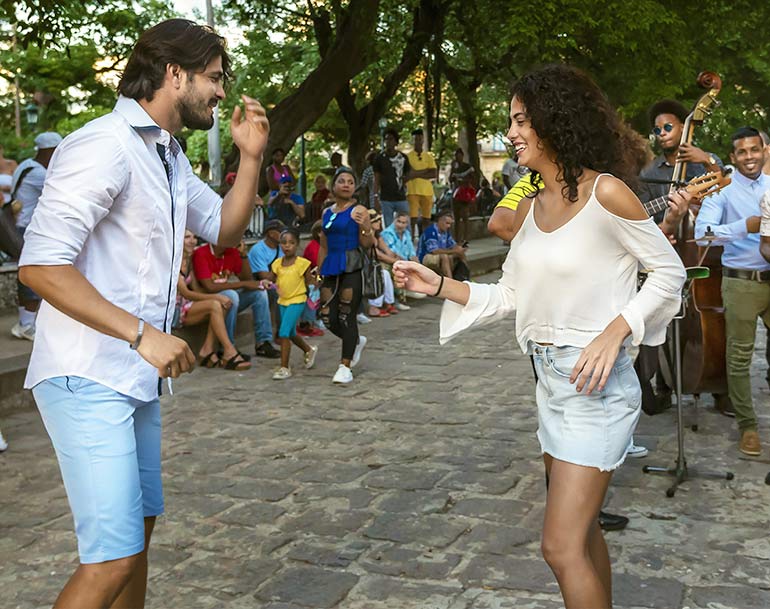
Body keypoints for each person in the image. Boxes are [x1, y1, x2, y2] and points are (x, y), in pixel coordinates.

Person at [393, 64, 686, 609]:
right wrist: (439, 285)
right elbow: (509, 295)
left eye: (522, 120)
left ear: (555, 120)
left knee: (559, 547)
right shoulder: (532, 208)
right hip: (551, 383)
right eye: (511, 121)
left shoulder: (607, 194)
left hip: (594, 386)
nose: (512, 132)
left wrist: (618, 328)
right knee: (584, 535)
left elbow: (669, 273)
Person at [17, 19, 268, 609]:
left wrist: (250, 157)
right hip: (86, 374)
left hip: (132, 379)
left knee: (140, 534)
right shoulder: (102, 144)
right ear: (173, 73)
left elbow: (225, 229)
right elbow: (40, 266)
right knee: (111, 559)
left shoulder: (167, 155)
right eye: (213, 78)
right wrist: (142, 335)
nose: (222, 92)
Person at [695, 126, 770, 456]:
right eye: (742, 152)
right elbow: (702, 234)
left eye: (755, 150)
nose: (749, 157)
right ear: (733, 157)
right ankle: (748, 428)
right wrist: (745, 226)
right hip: (740, 281)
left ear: (764, 151)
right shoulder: (721, 189)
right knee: (739, 358)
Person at [317, 167, 376, 384]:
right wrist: (318, 270)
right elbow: (323, 244)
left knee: (346, 315)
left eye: (350, 182)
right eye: (341, 181)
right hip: (330, 265)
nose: (346, 185)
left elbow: (369, 244)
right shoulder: (326, 212)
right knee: (327, 316)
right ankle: (355, 341)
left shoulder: (359, 209)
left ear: (354, 187)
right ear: (333, 186)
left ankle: (345, 366)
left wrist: (366, 226)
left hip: (351, 264)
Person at [9, 132, 62, 341]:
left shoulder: (25, 165)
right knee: (34, 274)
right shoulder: (40, 174)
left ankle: (25, 322)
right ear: (49, 151)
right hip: (29, 228)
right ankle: (27, 324)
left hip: (18, 226)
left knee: (27, 274)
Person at [174, 230, 250, 371]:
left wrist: (217, 298)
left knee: (220, 304)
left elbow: (196, 289)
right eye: (187, 237)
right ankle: (229, 351)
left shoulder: (188, 261)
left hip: (188, 305)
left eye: (194, 237)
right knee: (216, 303)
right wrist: (216, 296)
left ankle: (207, 350)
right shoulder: (173, 262)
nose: (192, 241)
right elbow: (186, 293)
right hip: (175, 311)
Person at [192, 240, 279, 359]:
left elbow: (247, 278)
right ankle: (227, 347)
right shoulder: (201, 253)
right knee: (231, 295)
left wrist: (243, 255)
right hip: (207, 299)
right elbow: (210, 287)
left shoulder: (231, 252)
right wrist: (243, 284)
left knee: (259, 292)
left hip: (227, 299)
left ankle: (263, 342)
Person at [267, 228, 318, 379]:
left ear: (297, 245)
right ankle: (308, 349)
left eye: (291, 243)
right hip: (282, 301)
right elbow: (270, 278)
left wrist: (318, 280)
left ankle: (284, 367)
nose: (287, 246)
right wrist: (265, 282)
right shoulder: (277, 264)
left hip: (297, 300)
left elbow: (311, 281)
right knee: (290, 332)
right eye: (283, 243)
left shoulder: (302, 264)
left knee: (283, 332)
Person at [373, 128, 411, 227]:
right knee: (388, 226)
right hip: (386, 198)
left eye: (391, 139)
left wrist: (404, 182)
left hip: (401, 197)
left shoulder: (403, 158)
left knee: (405, 225)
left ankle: (404, 242)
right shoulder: (379, 158)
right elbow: (376, 179)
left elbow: (408, 174)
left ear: (396, 142)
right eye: (386, 139)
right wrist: (375, 196)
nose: (388, 142)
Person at [365, 209, 399, 317]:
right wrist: (396, 261)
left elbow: (388, 252)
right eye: (375, 221)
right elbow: (377, 255)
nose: (379, 223)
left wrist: (398, 258)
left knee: (386, 273)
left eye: (379, 220)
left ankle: (388, 303)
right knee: (382, 274)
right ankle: (374, 306)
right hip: (365, 266)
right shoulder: (365, 237)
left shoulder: (377, 236)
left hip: (375, 265)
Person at [417, 209, 467, 279]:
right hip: (425, 257)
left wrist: (459, 248)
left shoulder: (446, 232)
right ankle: (451, 281)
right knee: (445, 257)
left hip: (438, 255)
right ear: (440, 221)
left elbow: (452, 245)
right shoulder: (431, 231)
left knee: (460, 253)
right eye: (447, 223)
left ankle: (465, 276)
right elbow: (434, 251)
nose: (449, 226)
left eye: (450, 224)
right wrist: (454, 251)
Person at [405, 128, 438, 235]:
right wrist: (425, 171)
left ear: (423, 140)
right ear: (412, 140)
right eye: (415, 139)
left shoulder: (428, 156)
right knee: (413, 219)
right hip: (412, 191)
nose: (418, 141)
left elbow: (433, 173)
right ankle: (411, 241)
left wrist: (415, 173)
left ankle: (426, 240)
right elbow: (407, 174)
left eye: (420, 139)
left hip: (427, 192)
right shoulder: (407, 157)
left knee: (426, 219)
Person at [449, 148, 476, 242]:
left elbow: (473, 179)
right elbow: (450, 179)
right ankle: (457, 238)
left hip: (465, 194)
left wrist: (463, 181)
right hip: (456, 194)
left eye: (459, 155)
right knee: (456, 218)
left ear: (462, 156)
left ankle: (466, 238)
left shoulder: (468, 167)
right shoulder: (454, 167)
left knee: (465, 216)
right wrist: (453, 169)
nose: (457, 157)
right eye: (456, 155)